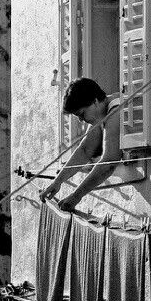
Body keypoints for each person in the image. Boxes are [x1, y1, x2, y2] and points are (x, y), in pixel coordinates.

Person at [40, 78, 121, 211]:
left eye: (82, 114)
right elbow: (84, 150)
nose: (82, 120)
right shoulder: (103, 111)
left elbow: (109, 162)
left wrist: (76, 196)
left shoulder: (115, 112)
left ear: (95, 101)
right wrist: (58, 181)